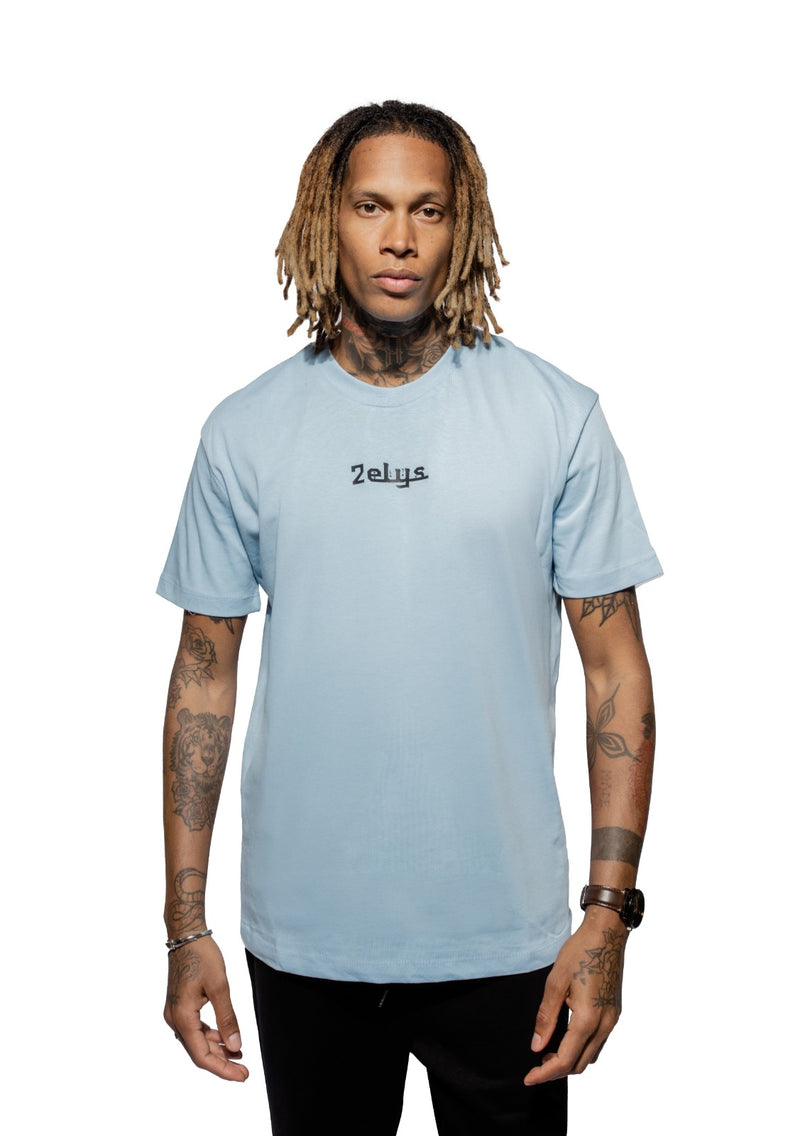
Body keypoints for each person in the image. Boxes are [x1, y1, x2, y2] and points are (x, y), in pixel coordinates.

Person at [158, 100, 661, 1136]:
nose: (399, 239)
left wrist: (608, 915)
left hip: (506, 941)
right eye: (371, 206)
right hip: (304, 938)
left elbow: (615, 673)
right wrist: (184, 925)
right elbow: (203, 677)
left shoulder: (556, 416)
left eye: (427, 209)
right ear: (325, 220)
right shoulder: (245, 431)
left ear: (461, 224)